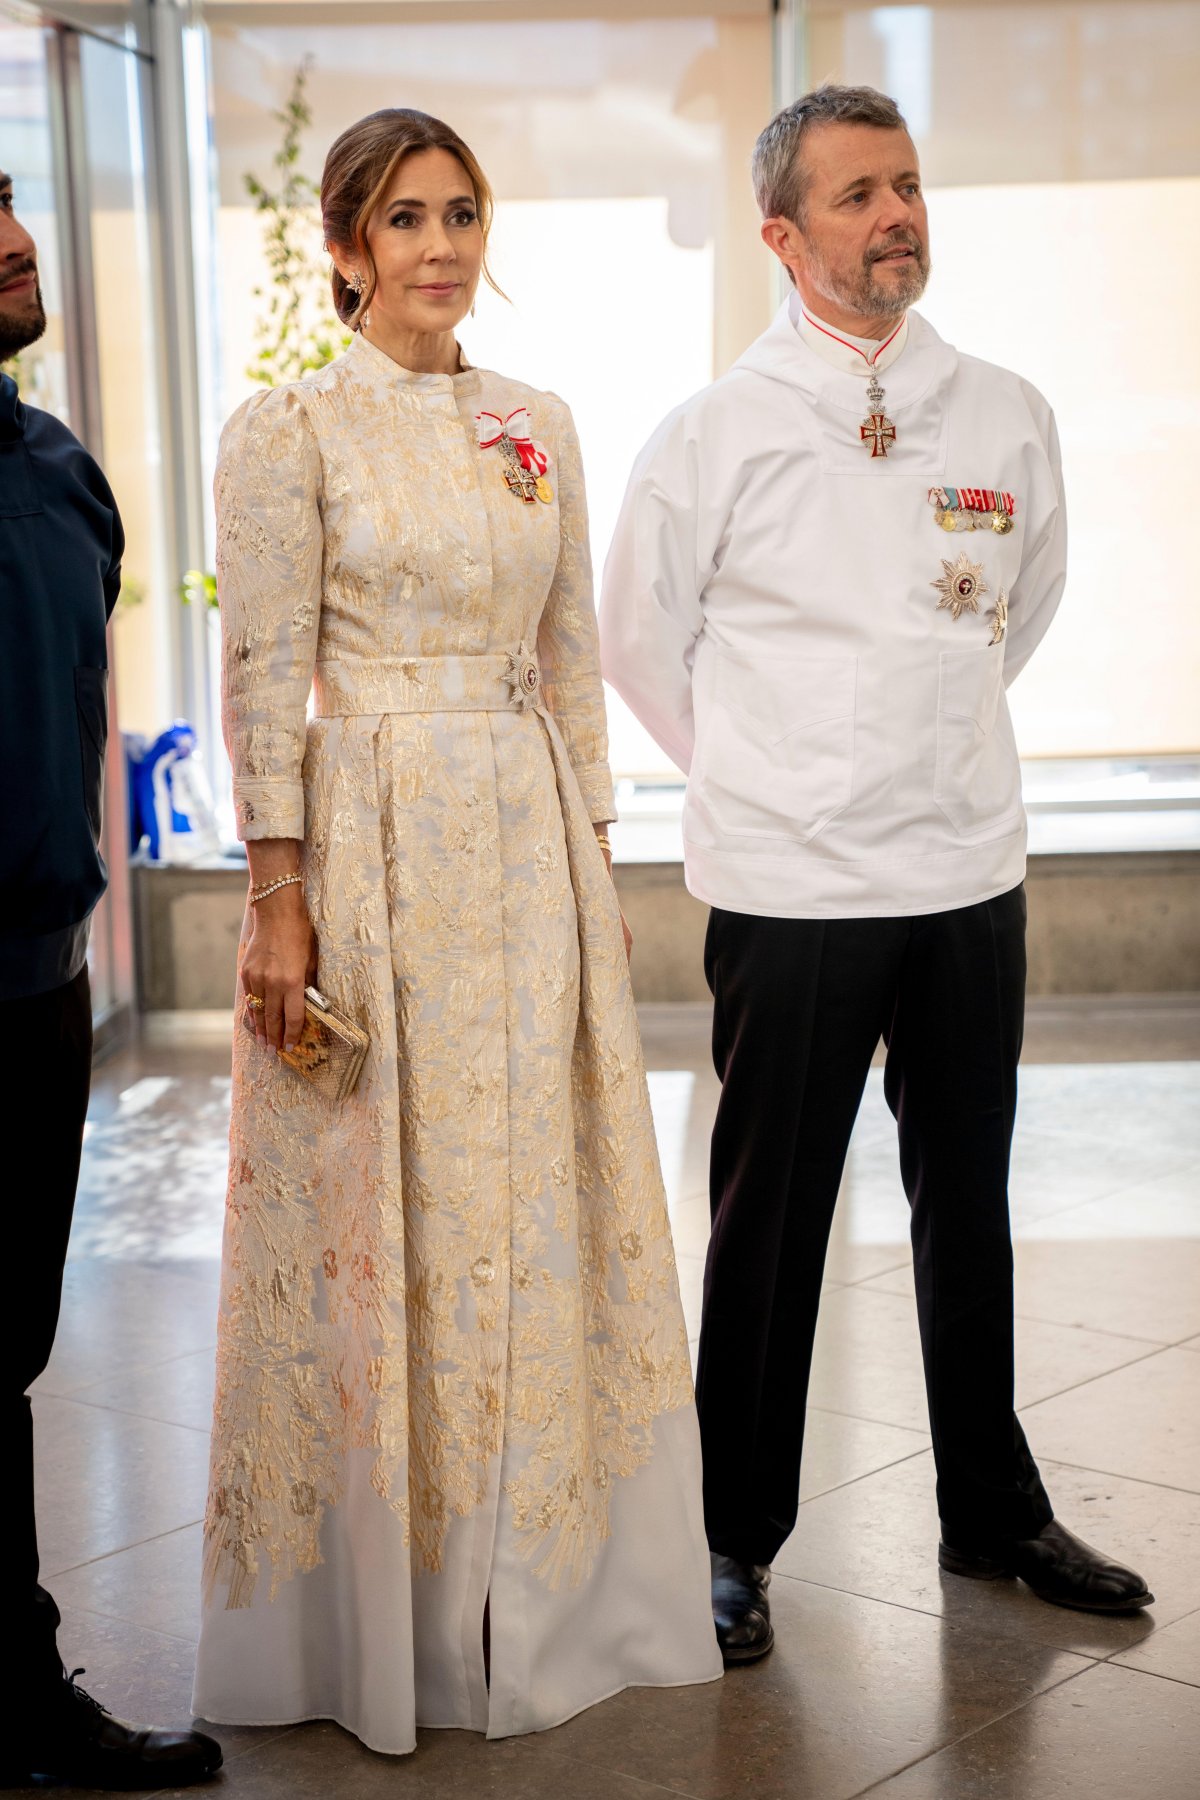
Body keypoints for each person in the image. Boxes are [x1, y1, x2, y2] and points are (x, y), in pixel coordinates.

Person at [599, 85, 1153, 1665]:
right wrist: (773, 777)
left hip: (968, 867)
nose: (894, 216)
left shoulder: (1003, 408)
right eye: (855, 196)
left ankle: (992, 1511)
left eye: (906, 187)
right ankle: (731, 1537)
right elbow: (641, 642)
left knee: (966, 1197)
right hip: (791, 885)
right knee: (773, 1221)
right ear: (782, 237)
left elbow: (1019, 611)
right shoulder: (713, 432)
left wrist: (924, 750)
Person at [192, 108, 721, 1755]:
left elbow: (570, 660)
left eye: (461, 213)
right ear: (345, 247)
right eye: (403, 219)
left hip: (527, 837)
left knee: (538, 1194)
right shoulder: (287, 431)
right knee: (394, 1204)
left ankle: (556, 1590)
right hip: (377, 842)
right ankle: (404, 1622)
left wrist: (602, 863)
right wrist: (280, 902)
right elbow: (267, 677)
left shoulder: (537, 423)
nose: (438, 246)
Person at [0, 172, 222, 1787]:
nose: (16, 241)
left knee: (0, 1347)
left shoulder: (62, 471)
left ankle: (8, 1695)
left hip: (31, 981)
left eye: (7, 203)